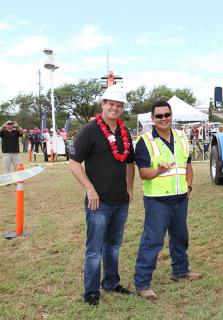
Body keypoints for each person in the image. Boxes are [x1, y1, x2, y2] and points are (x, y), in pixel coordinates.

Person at [68, 84, 135, 306]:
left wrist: (130, 187)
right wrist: (89, 188)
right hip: (99, 202)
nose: (114, 108)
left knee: (114, 246)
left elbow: (129, 162)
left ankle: (111, 282)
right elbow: (74, 162)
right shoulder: (90, 130)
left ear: (122, 108)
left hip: (120, 201)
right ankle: (91, 291)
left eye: (119, 105)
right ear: (103, 105)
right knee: (94, 249)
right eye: (111, 104)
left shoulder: (124, 132)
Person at [134, 100, 202, 301]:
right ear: (153, 119)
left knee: (181, 236)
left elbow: (187, 165)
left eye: (167, 115)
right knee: (152, 241)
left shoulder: (181, 137)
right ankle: (142, 283)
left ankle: (180, 271)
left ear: (172, 116)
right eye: (159, 116)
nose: (164, 119)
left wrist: (189, 187)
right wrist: (159, 170)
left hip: (181, 198)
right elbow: (144, 173)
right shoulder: (145, 141)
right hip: (157, 200)